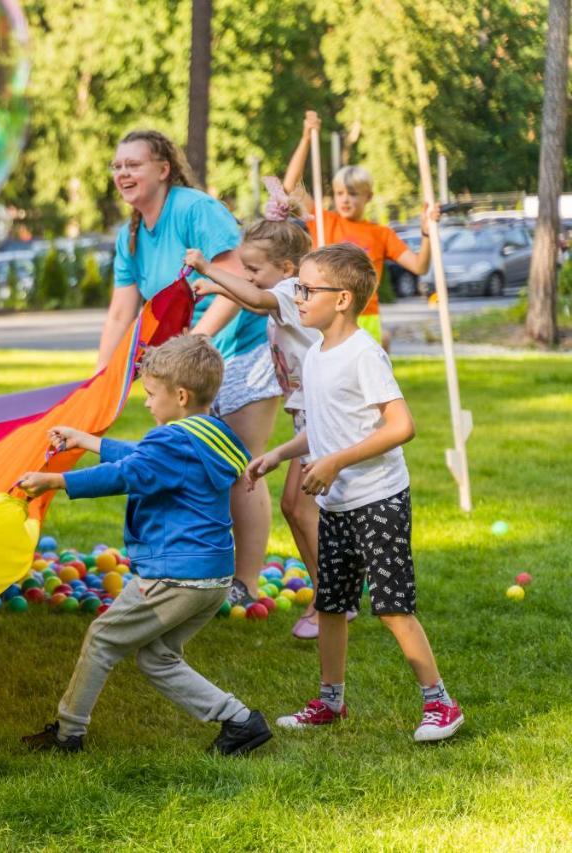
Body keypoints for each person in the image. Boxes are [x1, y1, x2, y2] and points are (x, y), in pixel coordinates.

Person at [15, 334, 273, 757]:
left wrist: (56, 481)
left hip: (174, 576)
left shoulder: (170, 442)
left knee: (102, 639)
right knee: (158, 658)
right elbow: (146, 457)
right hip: (213, 577)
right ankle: (240, 722)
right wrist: (88, 440)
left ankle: (67, 734)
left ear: (181, 395)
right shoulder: (213, 435)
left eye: (152, 395)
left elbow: (128, 473)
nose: (147, 403)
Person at [246, 244, 463, 742]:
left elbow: (402, 425)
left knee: (392, 606)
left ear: (342, 299)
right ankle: (330, 701)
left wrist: (337, 461)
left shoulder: (363, 354)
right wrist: (281, 454)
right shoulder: (318, 353)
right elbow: (324, 424)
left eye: (305, 288)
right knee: (330, 603)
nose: (296, 296)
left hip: (378, 497)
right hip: (337, 503)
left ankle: (440, 704)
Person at [96, 129, 280, 610]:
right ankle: (203, 573)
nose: (123, 174)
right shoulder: (130, 235)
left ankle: (246, 581)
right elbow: (121, 311)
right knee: (195, 468)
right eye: (117, 167)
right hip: (188, 367)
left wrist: (198, 341)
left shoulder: (196, 209)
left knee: (243, 466)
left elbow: (238, 278)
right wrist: (102, 376)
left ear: (163, 168)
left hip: (240, 354)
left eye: (132, 164)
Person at [184, 177, 331, 640]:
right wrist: (220, 291)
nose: (246, 276)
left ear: (286, 268)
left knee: (301, 509)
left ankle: (332, 599)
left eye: (253, 268)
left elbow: (259, 297)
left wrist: (209, 269)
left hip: (325, 419)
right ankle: (332, 593)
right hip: (313, 417)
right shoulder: (287, 291)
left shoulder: (291, 293)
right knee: (297, 507)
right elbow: (253, 295)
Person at [283, 110, 439, 347]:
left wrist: (427, 233)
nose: (346, 200)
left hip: (364, 316)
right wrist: (306, 137)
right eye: (340, 193)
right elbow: (290, 187)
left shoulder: (381, 233)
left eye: (353, 194)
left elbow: (419, 265)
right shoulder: (323, 221)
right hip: (326, 313)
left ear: (369, 196)